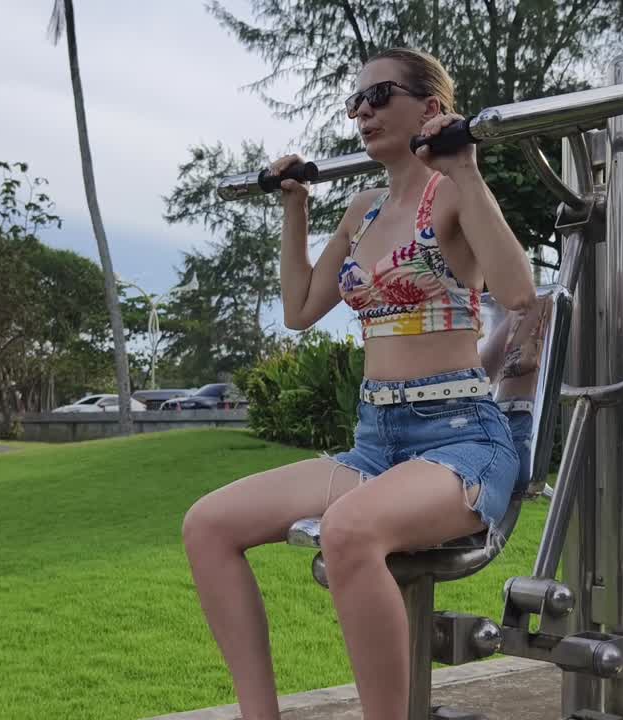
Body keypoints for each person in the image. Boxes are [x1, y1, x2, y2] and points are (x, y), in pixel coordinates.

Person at [182, 47, 537, 720]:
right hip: (376, 444)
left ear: (431, 108)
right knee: (207, 525)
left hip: (461, 440)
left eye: (381, 96)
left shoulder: (454, 192)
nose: (363, 111)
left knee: (346, 531)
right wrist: (295, 208)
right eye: (356, 101)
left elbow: (518, 294)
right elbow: (300, 310)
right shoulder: (363, 209)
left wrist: (464, 164)